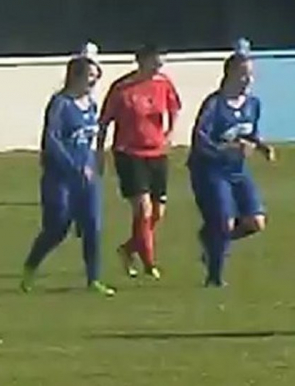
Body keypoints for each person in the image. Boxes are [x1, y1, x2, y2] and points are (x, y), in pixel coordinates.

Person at [20, 55, 115, 297]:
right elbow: (51, 140)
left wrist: (94, 162)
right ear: (75, 76)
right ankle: (30, 267)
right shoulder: (60, 104)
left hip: (87, 176)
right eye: (90, 76)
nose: (93, 82)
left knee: (93, 226)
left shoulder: (92, 104)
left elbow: (90, 139)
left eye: (96, 77)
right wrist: (73, 165)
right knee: (57, 227)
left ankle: (94, 279)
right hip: (60, 178)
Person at [187, 47, 275, 287]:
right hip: (210, 170)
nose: (249, 80)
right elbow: (200, 139)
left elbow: (251, 133)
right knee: (224, 222)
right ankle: (214, 277)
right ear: (230, 74)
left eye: (251, 75)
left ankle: (211, 241)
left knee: (256, 222)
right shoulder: (215, 104)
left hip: (237, 170)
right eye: (244, 74)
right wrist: (227, 149)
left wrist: (261, 146)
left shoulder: (253, 104)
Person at [97, 44, 181, 280]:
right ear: (141, 60)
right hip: (129, 153)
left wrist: (169, 134)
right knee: (143, 208)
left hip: (157, 153)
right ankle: (149, 263)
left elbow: (174, 108)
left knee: (157, 213)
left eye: (161, 60)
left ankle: (127, 250)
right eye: (155, 60)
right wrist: (99, 153)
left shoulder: (163, 83)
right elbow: (104, 122)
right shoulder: (122, 88)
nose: (159, 65)